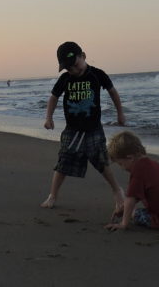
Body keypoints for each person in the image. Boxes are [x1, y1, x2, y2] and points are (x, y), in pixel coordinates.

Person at [40, 41, 126, 216]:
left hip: (93, 128)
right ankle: (52, 195)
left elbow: (113, 92)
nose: (73, 70)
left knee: (101, 161)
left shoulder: (97, 74)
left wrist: (120, 114)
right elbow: (53, 98)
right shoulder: (65, 79)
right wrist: (48, 118)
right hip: (72, 129)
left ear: (83, 56)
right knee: (64, 161)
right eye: (68, 68)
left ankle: (117, 191)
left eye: (75, 65)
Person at [104, 130, 159, 231]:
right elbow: (137, 195)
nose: (122, 168)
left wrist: (123, 223)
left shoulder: (138, 171)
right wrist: (122, 208)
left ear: (130, 158)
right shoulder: (152, 164)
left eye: (121, 164)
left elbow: (131, 199)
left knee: (134, 213)